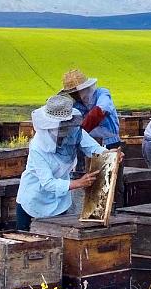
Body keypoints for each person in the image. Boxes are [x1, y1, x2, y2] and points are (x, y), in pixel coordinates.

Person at [16, 93, 102, 231]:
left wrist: (110, 154)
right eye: (61, 125)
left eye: (67, 124)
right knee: (26, 241)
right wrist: (78, 183)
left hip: (60, 201)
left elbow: (93, 148)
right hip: (34, 198)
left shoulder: (74, 131)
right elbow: (48, 183)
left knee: (58, 239)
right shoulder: (37, 146)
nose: (65, 128)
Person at [63, 67, 120, 149]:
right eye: (71, 93)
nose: (74, 95)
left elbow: (102, 109)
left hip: (110, 142)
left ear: (84, 88)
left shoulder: (101, 93)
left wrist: (82, 128)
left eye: (75, 92)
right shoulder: (76, 105)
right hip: (88, 144)